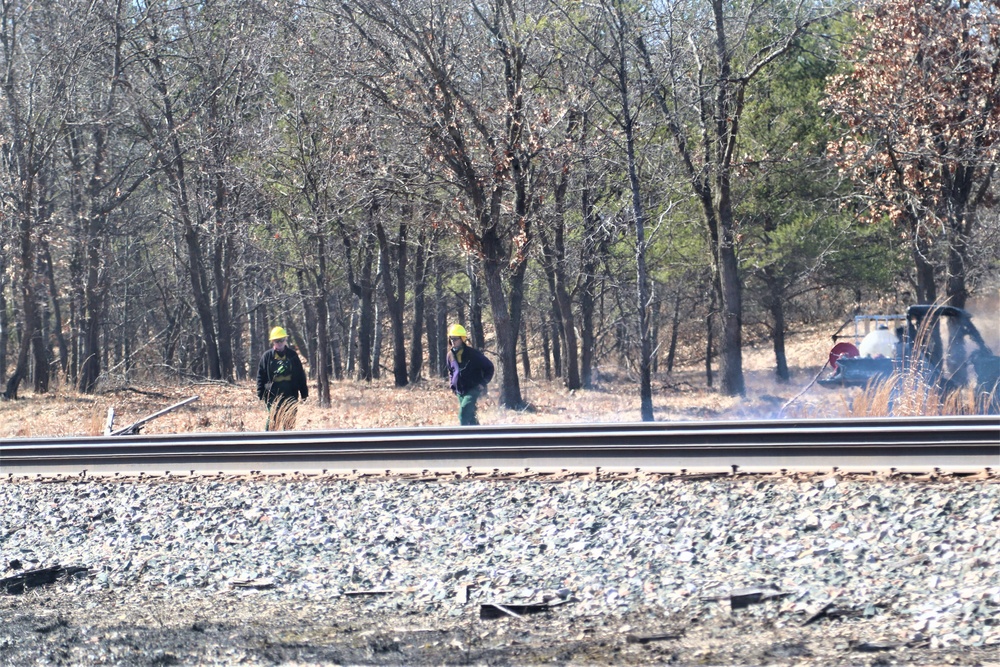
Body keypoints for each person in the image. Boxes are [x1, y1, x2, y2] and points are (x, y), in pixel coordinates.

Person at [256, 326, 309, 431]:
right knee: (273, 420)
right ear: (273, 342)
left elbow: (300, 375)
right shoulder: (266, 357)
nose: (279, 343)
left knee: (289, 421)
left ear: (285, 340)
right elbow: (260, 376)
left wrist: (304, 393)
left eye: (281, 340)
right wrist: (261, 393)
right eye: (276, 341)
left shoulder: (293, 355)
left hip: (290, 393)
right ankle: (267, 443)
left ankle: (288, 444)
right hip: (273, 395)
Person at [446, 324, 494, 426]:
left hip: (473, 389)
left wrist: (483, 383)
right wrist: (452, 385)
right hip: (459, 390)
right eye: (451, 339)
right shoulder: (450, 355)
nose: (453, 341)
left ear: (462, 339)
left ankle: (462, 438)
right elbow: (451, 371)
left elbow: (489, 367)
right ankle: (479, 437)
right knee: (471, 416)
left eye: (455, 339)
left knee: (463, 414)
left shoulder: (473, 354)